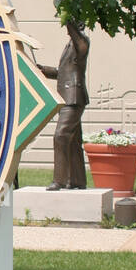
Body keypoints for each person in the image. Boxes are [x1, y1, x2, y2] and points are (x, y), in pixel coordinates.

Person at [36, 19, 90, 189]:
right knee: (73, 141)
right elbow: (63, 73)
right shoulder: (70, 47)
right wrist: (43, 70)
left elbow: (74, 32)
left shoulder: (82, 43)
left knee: (60, 136)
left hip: (74, 97)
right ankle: (77, 180)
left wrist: (66, 12)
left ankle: (59, 180)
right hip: (67, 96)